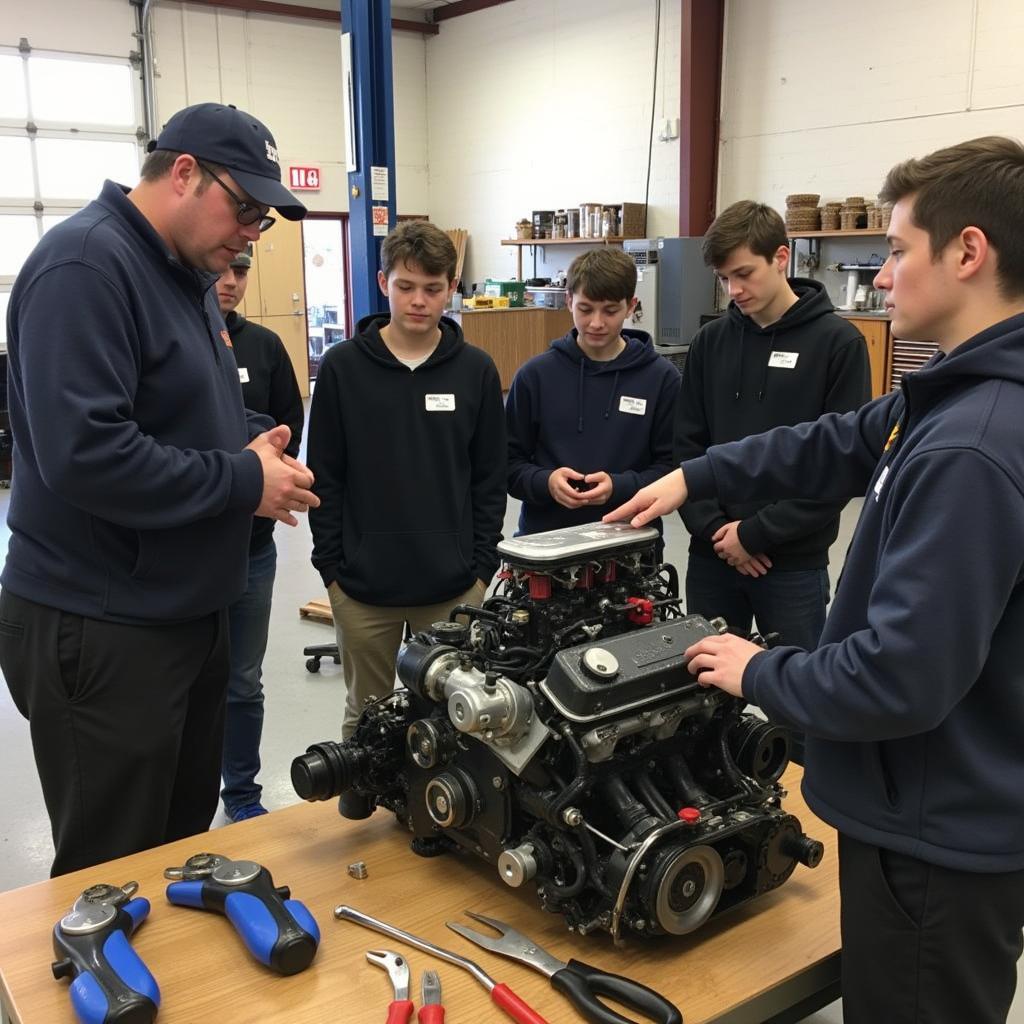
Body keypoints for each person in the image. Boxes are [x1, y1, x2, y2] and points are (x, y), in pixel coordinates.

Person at [606, 136, 1024, 1023]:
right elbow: (833, 440)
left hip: (933, 829)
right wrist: (697, 476)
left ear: (968, 253)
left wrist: (757, 670)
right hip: (953, 803)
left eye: (898, 252)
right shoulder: (965, 396)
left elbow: (897, 677)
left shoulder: (973, 447)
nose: (879, 279)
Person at [0, 102, 319, 875]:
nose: (250, 233)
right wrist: (244, 477)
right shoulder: (87, 265)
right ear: (182, 173)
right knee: (112, 866)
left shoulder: (182, 275)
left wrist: (250, 438)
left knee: (177, 845)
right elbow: (88, 454)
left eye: (263, 219)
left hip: (180, 612)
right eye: (243, 208)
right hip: (104, 623)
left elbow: (172, 407)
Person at [308, 221, 506, 741]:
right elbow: (324, 477)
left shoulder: (476, 371)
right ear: (383, 283)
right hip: (362, 588)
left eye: (433, 288)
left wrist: (481, 569)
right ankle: (362, 822)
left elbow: (489, 479)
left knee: (451, 722)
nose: (419, 301)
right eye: (406, 286)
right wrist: (331, 569)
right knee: (367, 720)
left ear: (451, 289)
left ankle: (441, 824)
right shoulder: (342, 369)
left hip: (452, 587)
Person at [675, 201, 870, 660]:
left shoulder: (839, 343)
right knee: (702, 700)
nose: (734, 290)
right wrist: (719, 532)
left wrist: (755, 534)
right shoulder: (710, 342)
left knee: (798, 706)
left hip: (791, 565)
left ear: (781, 258)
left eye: (744, 274)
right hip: (712, 556)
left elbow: (842, 463)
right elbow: (685, 445)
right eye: (724, 279)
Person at [215, 245, 304, 822]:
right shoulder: (171, 340)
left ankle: (242, 794)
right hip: (183, 553)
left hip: (250, 550)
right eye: (221, 269)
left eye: (241, 270)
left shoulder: (264, 347)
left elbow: (283, 434)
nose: (230, 281)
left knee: (243, 681)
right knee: (182, 688)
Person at [506, 248, 680, 537]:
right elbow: (507, 465)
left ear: (631, 305)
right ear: (569, 301)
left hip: (630, 546)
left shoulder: (661, 378)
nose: (597, 323)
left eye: (610, 310)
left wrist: (621, 487)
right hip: (546, 543)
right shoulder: (533, 377)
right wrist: (545, 482)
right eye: (585, 309)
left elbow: (673, 471)